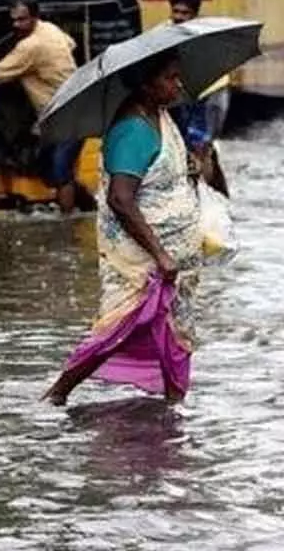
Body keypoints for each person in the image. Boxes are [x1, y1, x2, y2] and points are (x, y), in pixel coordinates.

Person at [44, 50, 203, 405]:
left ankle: (174, 406)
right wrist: (159, 253)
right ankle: (58, 394)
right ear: (146, 85)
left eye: (178, 77)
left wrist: (187, 169)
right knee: (118, 327)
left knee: (172, 332)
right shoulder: (133, 129)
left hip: (170, 256)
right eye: (169, 78)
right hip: (141, 258)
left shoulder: (159, 117)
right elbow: (121, 198)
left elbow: (160, 173)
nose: (178, 85)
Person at [0, 0, 84, 214]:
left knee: (60, 170)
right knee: (51, 168)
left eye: (22, 20)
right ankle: (80, 205)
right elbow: (71, 44)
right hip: (65, 111)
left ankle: (66, 223)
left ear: (35, 17)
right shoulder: (51, 30)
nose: (16, 25)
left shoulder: (30, 46)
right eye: (14, 20)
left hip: (67, 115)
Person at [167, 0, 231, 197]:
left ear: (194, 14)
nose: (178, 17)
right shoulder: (165, 33)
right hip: (182, 97)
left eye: (184, 13)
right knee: (183, 149)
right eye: (175, 11)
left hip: (210, 95)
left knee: (200, 147)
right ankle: (213, 193)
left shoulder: (206, 36)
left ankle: (205, 197)